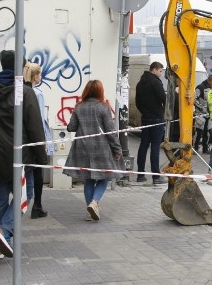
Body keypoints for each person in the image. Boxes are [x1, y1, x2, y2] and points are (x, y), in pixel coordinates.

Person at [0, 50, 48, 259]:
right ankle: (4, 230)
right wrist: (41, 158)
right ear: (22, 66)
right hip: (21, 156)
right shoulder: (24, 92)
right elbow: (35, 128)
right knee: (26, 195)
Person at [65, 80, 123, 221]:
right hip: (101, 147)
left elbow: (71, 127)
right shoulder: (103, 107)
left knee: (88, 179)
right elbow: (110, 131)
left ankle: (89, 212)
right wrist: (117, 149)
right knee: (106, 176)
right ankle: (94, 202)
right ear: (99, 92)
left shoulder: (79, 107)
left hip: (82, 147)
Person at [23, 62, 53, 218]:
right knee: (37, 172)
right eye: (40, 74)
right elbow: (39, 119)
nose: (40, 77)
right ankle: (37, 205)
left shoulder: (22, 91)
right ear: (35, 76)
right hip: (35, 137)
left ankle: (30, 202)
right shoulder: (37, 94)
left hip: (23, 138)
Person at [135, 61, 167, 185]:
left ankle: (141, 174)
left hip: (145, 117)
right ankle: (155, 176)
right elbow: (163, 98)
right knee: (155, 146)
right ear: (154, 70)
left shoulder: (140, 83)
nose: (161, 73)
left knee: (143, 145)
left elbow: (138, 102)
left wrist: (144, 111)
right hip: (156, 118)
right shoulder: (155, 82)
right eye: (160, 70)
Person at [193, 74, 212, 153]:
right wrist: (201, 108)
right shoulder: (200, 87)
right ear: (209, 80)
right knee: (199, 131)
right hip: (200, 114)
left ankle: (205, 148)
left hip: (209, 114)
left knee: (208, 132)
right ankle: (195, 147)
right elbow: (194, 99)